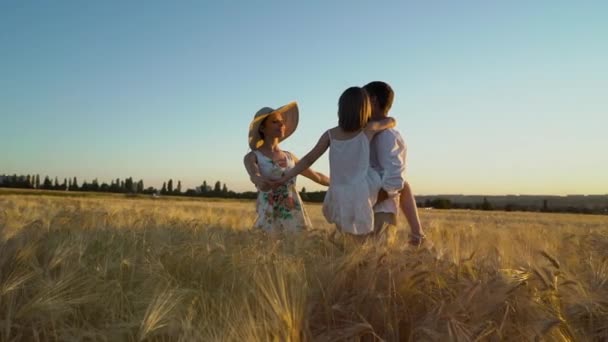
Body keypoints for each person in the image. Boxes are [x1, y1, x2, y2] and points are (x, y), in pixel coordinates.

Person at [274, 87, 395, 236]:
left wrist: (286, 176)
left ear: (341, 109)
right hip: (362, 188)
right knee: (362, 232)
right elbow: (390, 121)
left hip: (338, 190)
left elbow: (308, 159)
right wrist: (391, 120)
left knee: (345, 233)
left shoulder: (330, 134)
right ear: (365, 109)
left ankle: (348, 253)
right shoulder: (369, 129)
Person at [243, 102, 329, 232]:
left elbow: (316, 176)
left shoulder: (290, 157)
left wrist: (340, 182)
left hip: (293, 213)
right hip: (268, 213)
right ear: (262, 128)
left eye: (281, 121)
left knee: (296, 249)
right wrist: (260, 182)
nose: (281, 125)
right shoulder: (252, 157)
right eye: (275, 122)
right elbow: (255, 175)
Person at [363, 81, 426, 245]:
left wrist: (367, 202)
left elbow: (396, 180)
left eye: (363, 99)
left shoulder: (387, 136)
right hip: (368, 212)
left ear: (374, 101)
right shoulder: (368, 132)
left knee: (376, 265)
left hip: (380, 213)